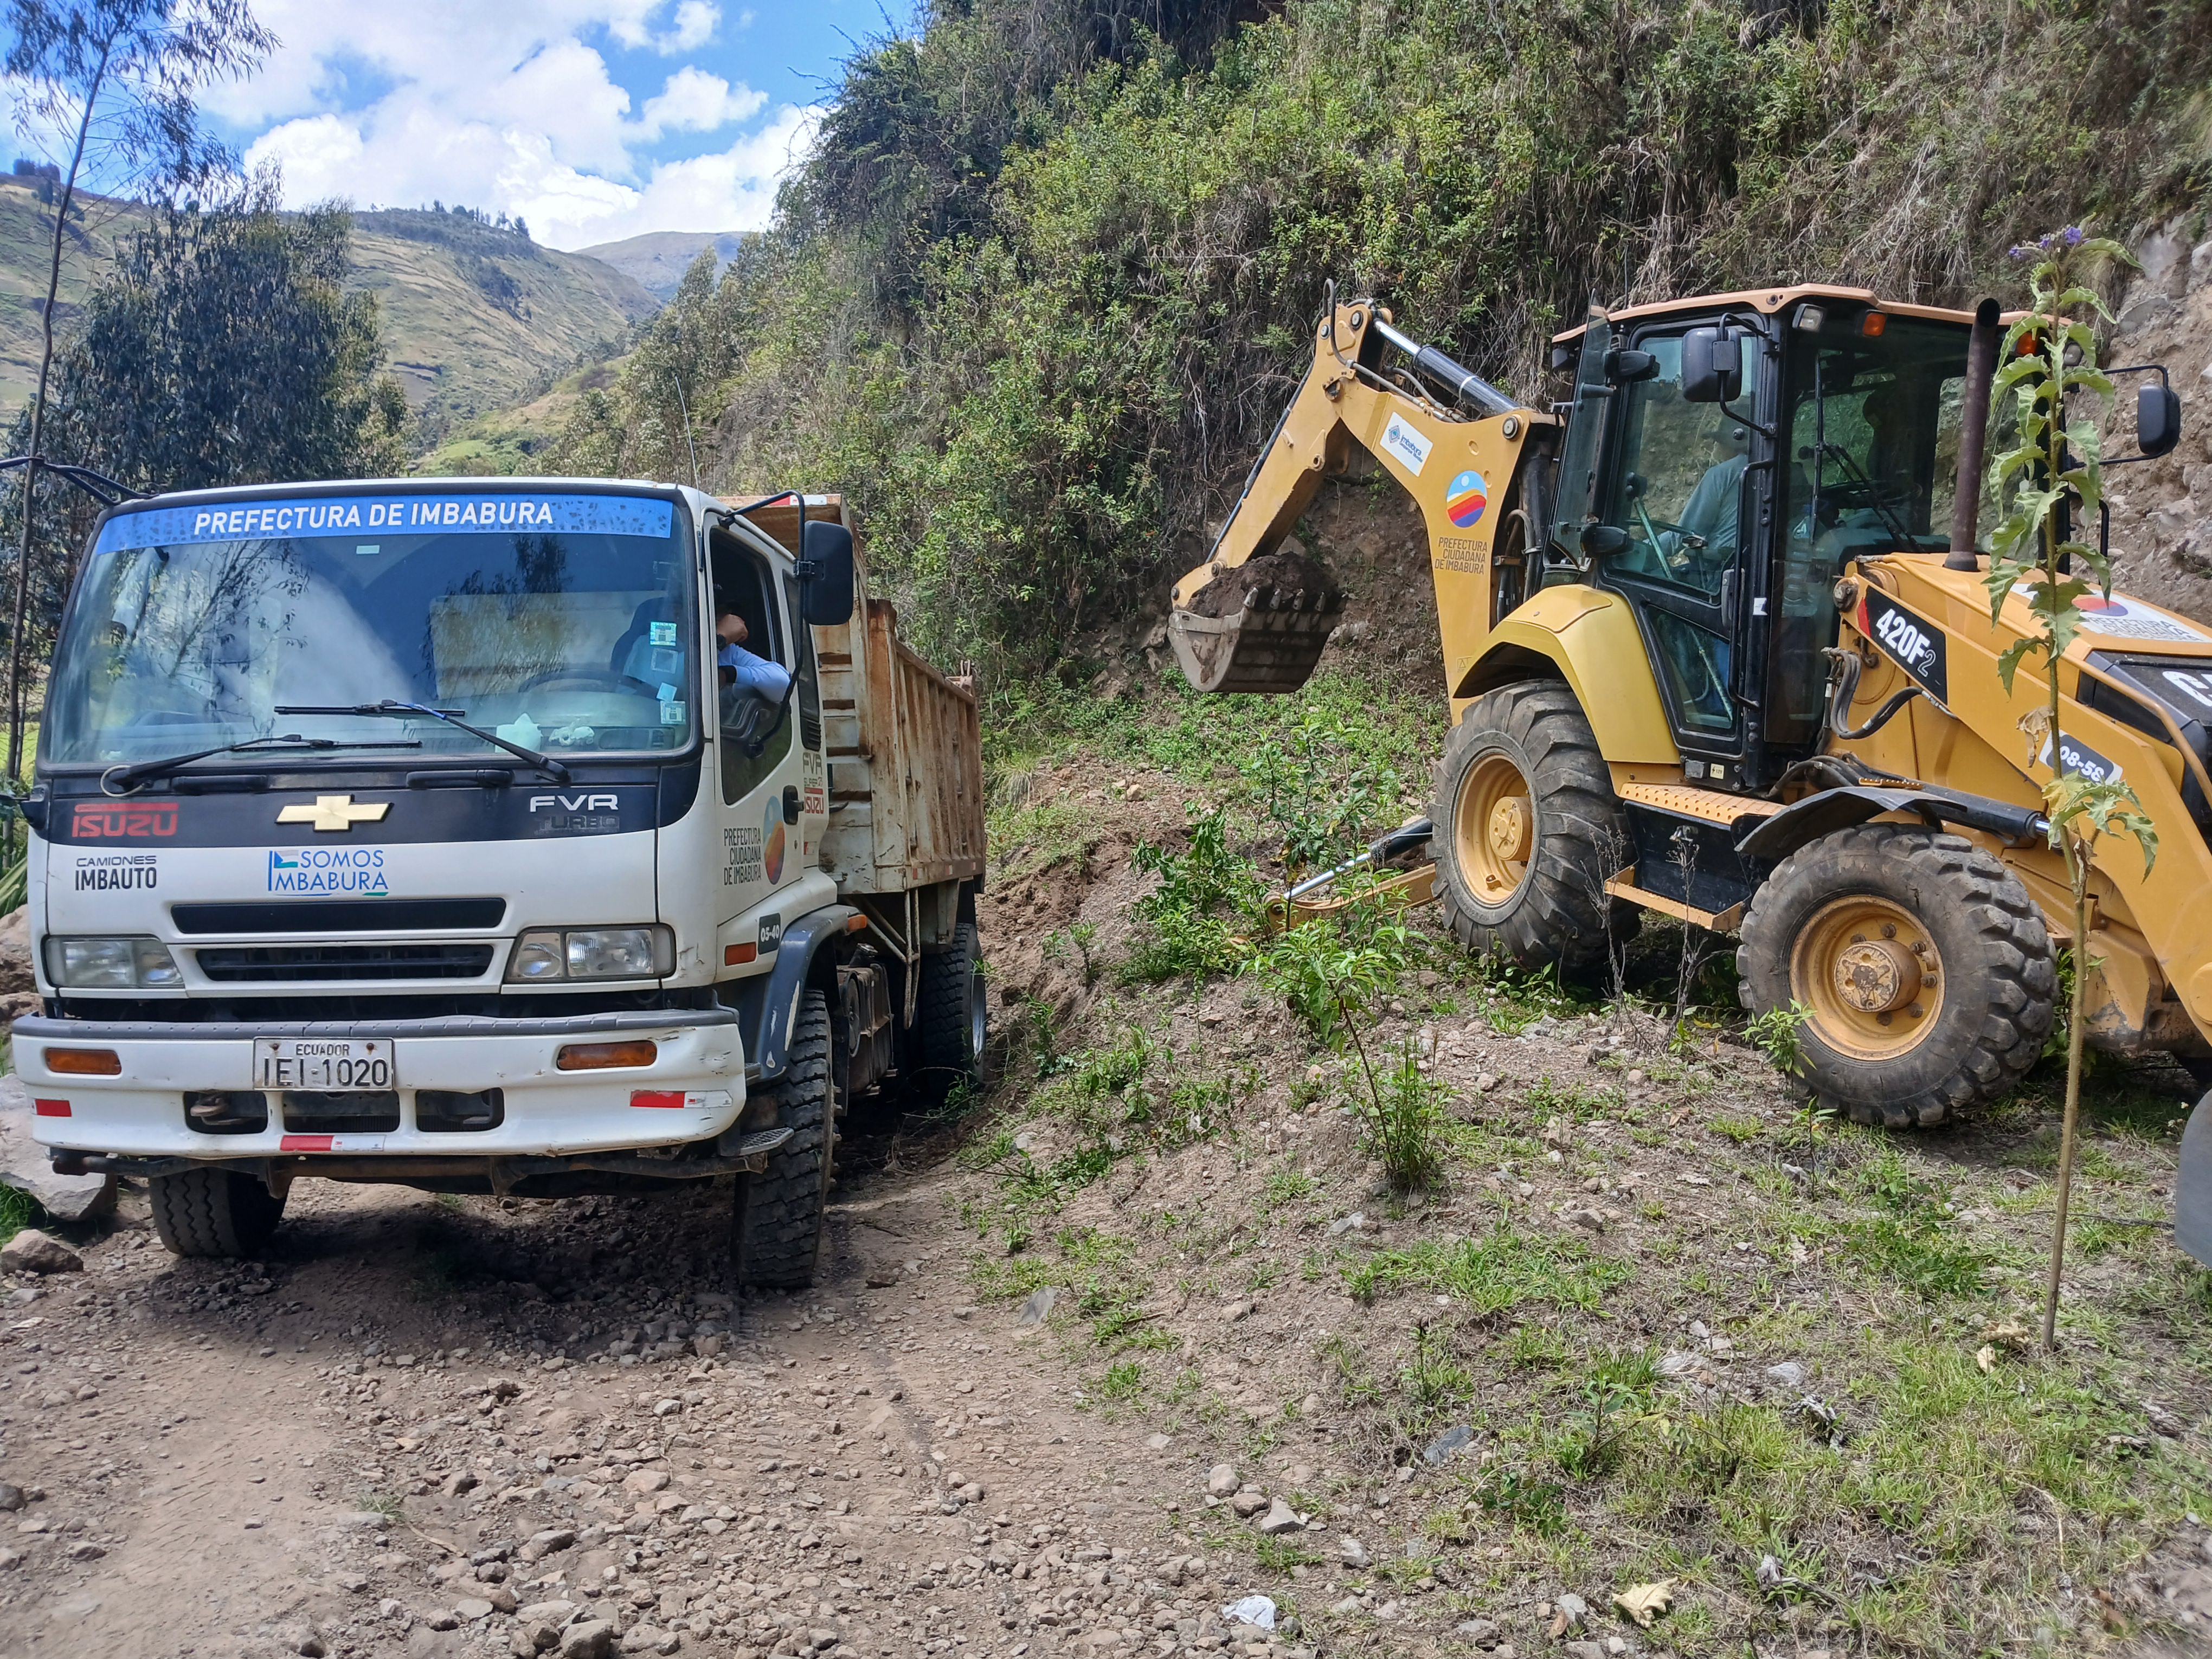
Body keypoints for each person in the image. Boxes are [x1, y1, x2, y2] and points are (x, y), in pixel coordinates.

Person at [716, 607, 792, 703]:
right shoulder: (721, 643)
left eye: (721, 611)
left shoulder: (728, 651)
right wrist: (719, 640)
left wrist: (729, 673)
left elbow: (782, 684)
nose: (723, 618)